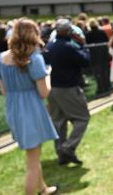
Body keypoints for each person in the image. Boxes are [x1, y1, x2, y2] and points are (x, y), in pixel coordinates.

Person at [0, 19, 58, 195]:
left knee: (33, 157)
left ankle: (43, 189)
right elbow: (44, 93)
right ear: (34, 34)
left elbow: (4, 91)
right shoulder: (35, 58)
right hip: (32, 111)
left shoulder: (1, 58)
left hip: (13, 111)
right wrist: (49, 75)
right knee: (33, 162)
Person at [44, 18, 90, 165]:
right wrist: (83, 45)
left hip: (53, 88)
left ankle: (62, 155)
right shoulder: (70, 46)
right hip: (68, 87)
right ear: (67, 30)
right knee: (83, 118)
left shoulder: (50, 45)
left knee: (59, 122)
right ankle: (67, 148)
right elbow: (85, 61)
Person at [85, 18, 111, 96]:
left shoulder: (88, 34)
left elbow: (87, 44)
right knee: (105, 71)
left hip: (94, 56)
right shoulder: (101, 32)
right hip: (104, 54)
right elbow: (107, 40)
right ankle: (107, 86)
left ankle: (101, 88)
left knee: (97, 73)